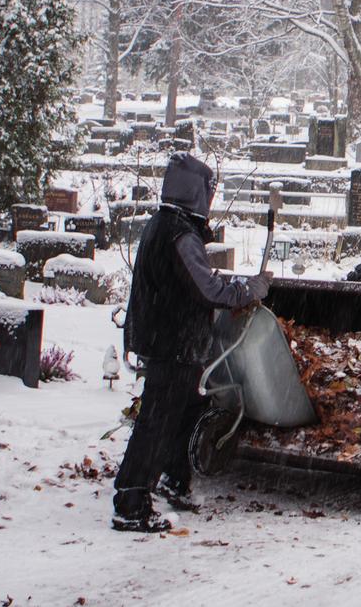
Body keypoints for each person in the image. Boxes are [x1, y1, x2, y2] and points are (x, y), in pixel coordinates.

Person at [112, 152, 270, 533]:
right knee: (157, 420)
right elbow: (208, 288)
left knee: (186, 409)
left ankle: (174, 477)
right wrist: (250, 289)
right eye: (208, 189)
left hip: (168, 338)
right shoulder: (179, 233)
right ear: (196, 193)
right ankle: (131, 500)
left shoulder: (163, 225)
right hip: (175, 342)